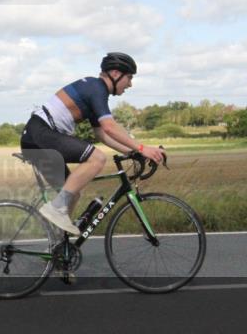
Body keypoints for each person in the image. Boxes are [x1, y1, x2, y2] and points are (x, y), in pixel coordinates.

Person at [20, 52, 165, 236]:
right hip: (40, 134)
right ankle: (56, 209)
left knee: (73, 192)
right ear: (115, 74)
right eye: (129, 77)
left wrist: (132, 152)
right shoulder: (96, 89)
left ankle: (57, 247)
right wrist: (143, 148)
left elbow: (102, 134)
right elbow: (110, 127)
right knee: (97, 158)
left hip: (36, 137)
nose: (130, 84)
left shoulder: (93, 90)